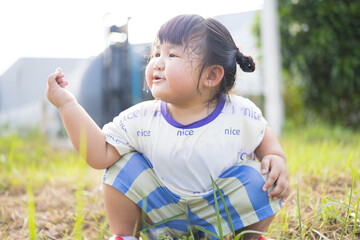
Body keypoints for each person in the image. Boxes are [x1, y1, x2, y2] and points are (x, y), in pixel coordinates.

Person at [46, 14, 290, 240]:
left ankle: (248, 237)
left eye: (172, 55)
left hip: (222, 214)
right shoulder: (140, 118)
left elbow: (269, 148)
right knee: (120, 166)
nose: (158, 63)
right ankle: (125, 235)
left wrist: (276, 160)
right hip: (159, 214)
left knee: (260, 178)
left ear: (211, 76)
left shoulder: (240, 113)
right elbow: (99, 154)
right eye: (155, 54)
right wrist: (68, 105)